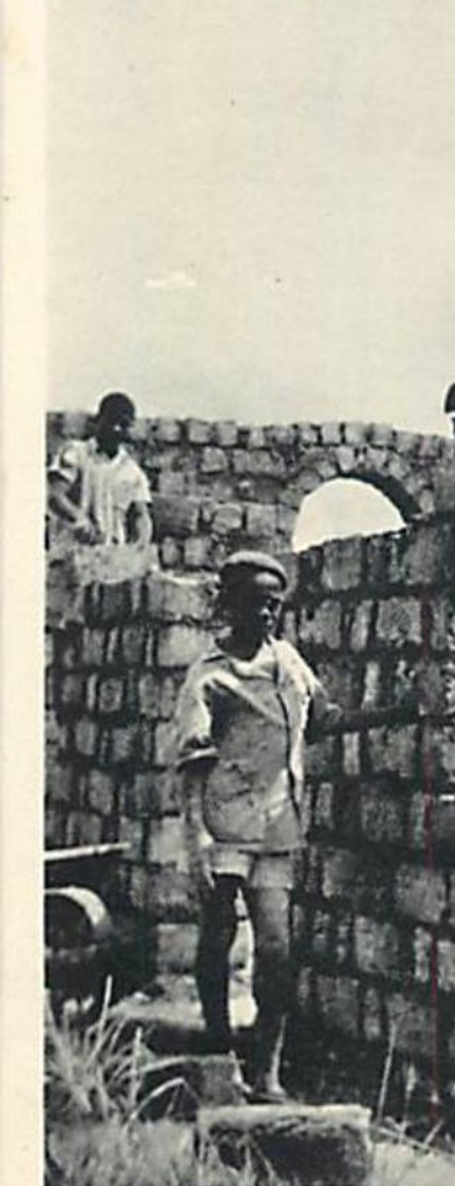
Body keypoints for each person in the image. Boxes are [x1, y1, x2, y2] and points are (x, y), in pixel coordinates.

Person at [175, 550, 337, 1101]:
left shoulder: (289, 661)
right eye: (254, 604)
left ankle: (267, 1068)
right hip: (225, 820)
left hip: (276, 821)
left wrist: (410, 711)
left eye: (273, 605)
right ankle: (219, 1048)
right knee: (219, 931)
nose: (266, 615)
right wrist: (196, 834)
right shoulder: (210, 676)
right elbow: (193, 760)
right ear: (229, 606)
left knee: (276, 947)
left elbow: (322, 720)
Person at [47, 390, 153, 552]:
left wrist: (142, 541)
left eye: (123, 425)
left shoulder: (133, 472)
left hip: (111, 559)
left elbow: (140, 514)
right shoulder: (75, 453)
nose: (116, 429)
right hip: (71, 553)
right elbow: (55, 495)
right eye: (111, 421)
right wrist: (78, 518)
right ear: (98, 420)